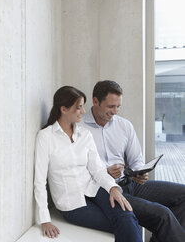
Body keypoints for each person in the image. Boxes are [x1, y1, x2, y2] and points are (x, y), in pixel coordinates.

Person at [81, 80, 185, 242]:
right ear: (95, 101)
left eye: (118, 106)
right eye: (110, 107)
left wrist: (139, 172)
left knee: (182, 194)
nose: (115, 111)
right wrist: (106, 172)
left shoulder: (124, 126)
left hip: (130, 183)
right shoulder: (79, 128)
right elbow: (76, 168)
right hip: (105, 191)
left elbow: (136, 160)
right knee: (163, 213)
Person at [34, 86, 142, 241]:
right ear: (64, 109)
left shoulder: (84, 134)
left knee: (127, 219)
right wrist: (45, 219)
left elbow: (97, 169)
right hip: (71, 203)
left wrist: (113, 188)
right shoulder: (45, 137)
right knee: (126, 226)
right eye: (78, 108)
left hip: (95, 189)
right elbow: (39, 181)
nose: (83, 112)